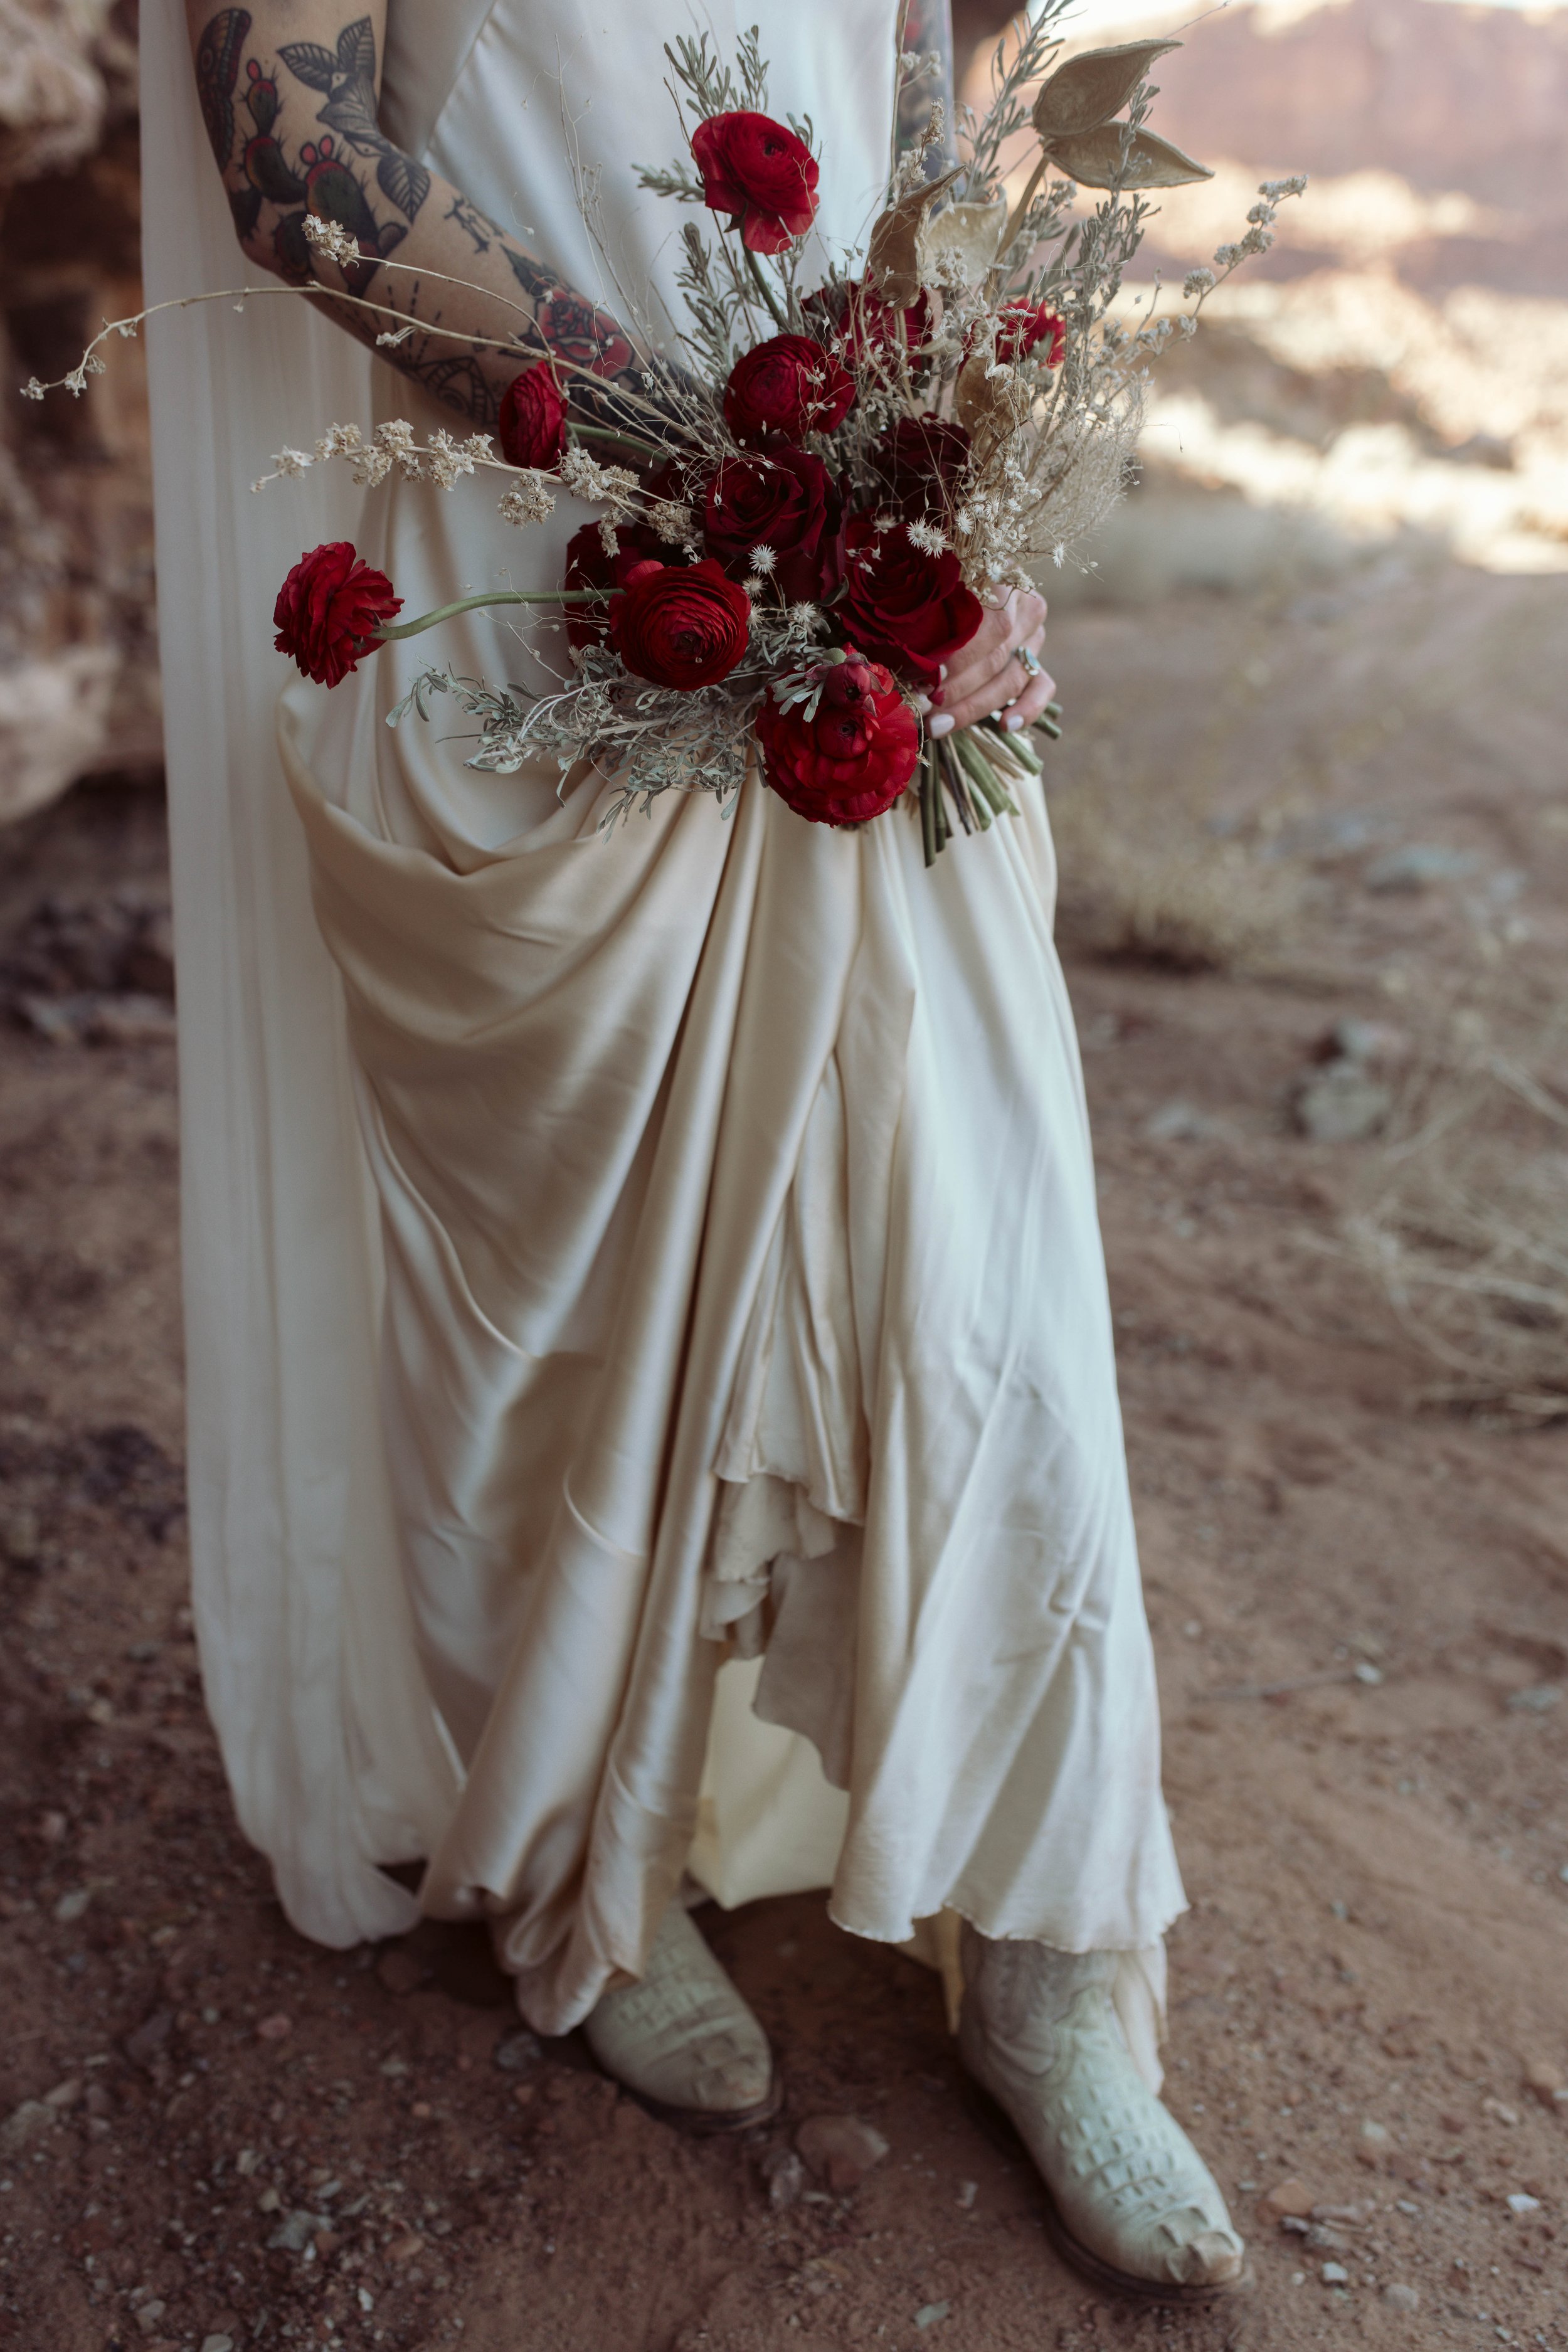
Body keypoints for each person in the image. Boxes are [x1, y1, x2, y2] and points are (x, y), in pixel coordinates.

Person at [146, 0, 1246, 2297]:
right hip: (529, 613)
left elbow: (920, 86)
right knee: (561, 1334)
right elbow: (297, 139)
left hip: (861, 579)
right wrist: (689, 467)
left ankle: (1049, 1958)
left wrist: (938, 447)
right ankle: (596, 1858)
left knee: (991, 1267)